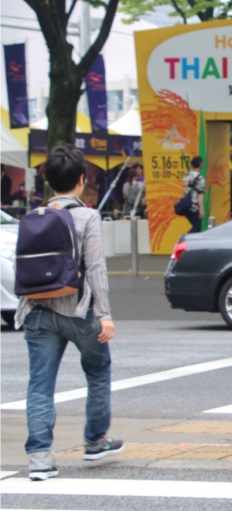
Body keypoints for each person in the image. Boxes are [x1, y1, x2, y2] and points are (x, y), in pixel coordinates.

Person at [16, 144, 121, 481]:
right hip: (79, 311)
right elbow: (96, 269)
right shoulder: (87, 216)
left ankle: (40, 459)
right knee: (98, 369)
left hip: (36, 310)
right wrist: (104, 314)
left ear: (49, 181)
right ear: (81, 180)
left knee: (40, 385)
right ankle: (94, 441)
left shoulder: (32, 217)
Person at [181, 157, 205, 233]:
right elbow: (199, 194)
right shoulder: (200, 177)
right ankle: (186, 241)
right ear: (200, 164)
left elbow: (184, 188)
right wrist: (201, 209)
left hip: (187, 206)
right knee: (196, 229)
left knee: (193, 226)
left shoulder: (186, 175)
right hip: (195, 207)